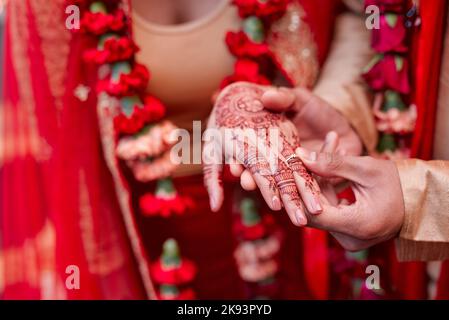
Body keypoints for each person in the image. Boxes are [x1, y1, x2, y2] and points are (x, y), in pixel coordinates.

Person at [1, 0, 375, 299]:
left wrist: (278, 104)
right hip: (139, 227)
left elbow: (356, 19)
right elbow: (60, 136)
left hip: (278, 203)